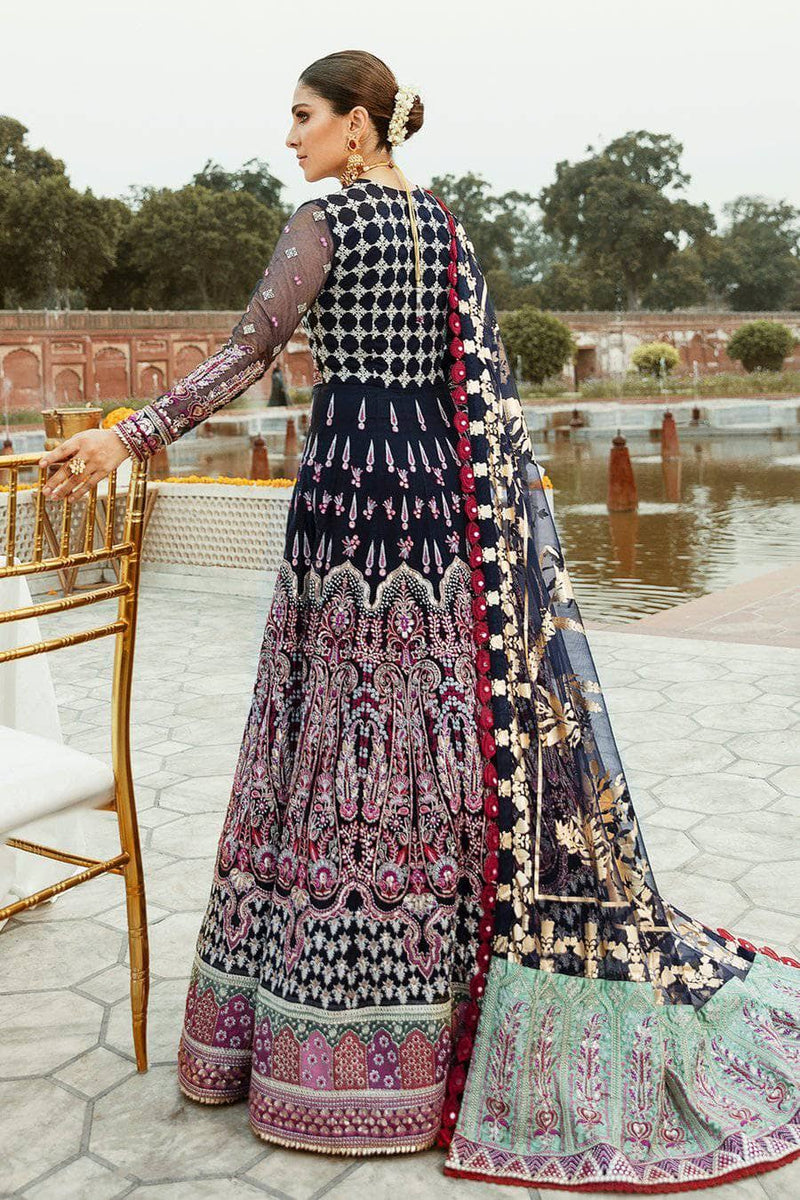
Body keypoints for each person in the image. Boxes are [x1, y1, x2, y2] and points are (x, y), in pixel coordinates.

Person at [39, 49, 800, 1194]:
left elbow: (250, 349)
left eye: (303, 116)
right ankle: (439, 1030)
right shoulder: (443, 228)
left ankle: (318, 1044)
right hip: (438, 502)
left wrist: (128, 435)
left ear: (356, 125)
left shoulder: (323, 221)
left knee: (329, 741)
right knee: (431, 744)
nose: (289, 137)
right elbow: (477, 393)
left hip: (350, 497)